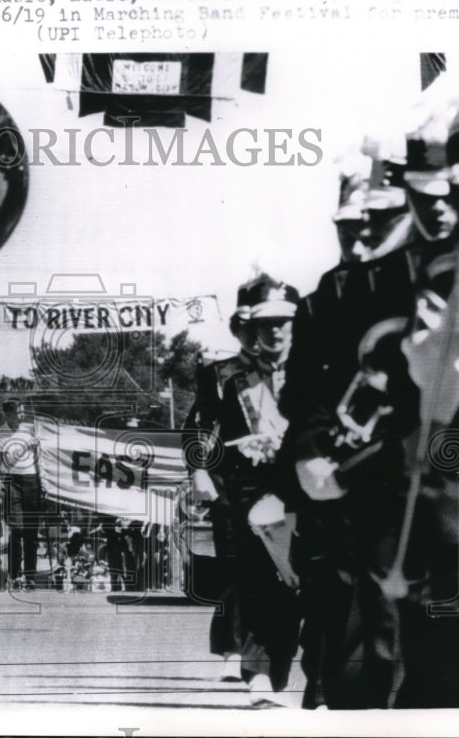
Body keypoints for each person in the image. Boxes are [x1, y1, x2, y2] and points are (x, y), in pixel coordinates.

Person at [280, 74, 459, 709]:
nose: (439, 211)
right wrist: (310, 451)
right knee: (374, 669)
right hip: (375, 503)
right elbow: (311, 389)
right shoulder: (352, 290)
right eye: (423, 197)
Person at [185, 273, 302, 695]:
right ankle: (259, 672)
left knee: (311, 584)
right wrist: (199, 470)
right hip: (246, 487)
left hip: (305, 485)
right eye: (254, 324)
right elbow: (201, 426)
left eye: (278, 322)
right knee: (254, 576)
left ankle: (317, 685)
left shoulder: (309, 365)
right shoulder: (223, 374)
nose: (264, 332)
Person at [0, 398, 43, 587]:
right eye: (18, 412)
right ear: (8, 414)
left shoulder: (31, 429)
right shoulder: (0, 433)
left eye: (23, 412)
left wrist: (43, 482)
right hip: (12, 481)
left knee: (31, 531)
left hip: (32, 480)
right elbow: (5, 463)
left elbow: (41, 458)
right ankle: (15, 575)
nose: (22, 415)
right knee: (17, 529)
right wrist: (24, 447)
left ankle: (30, 576)